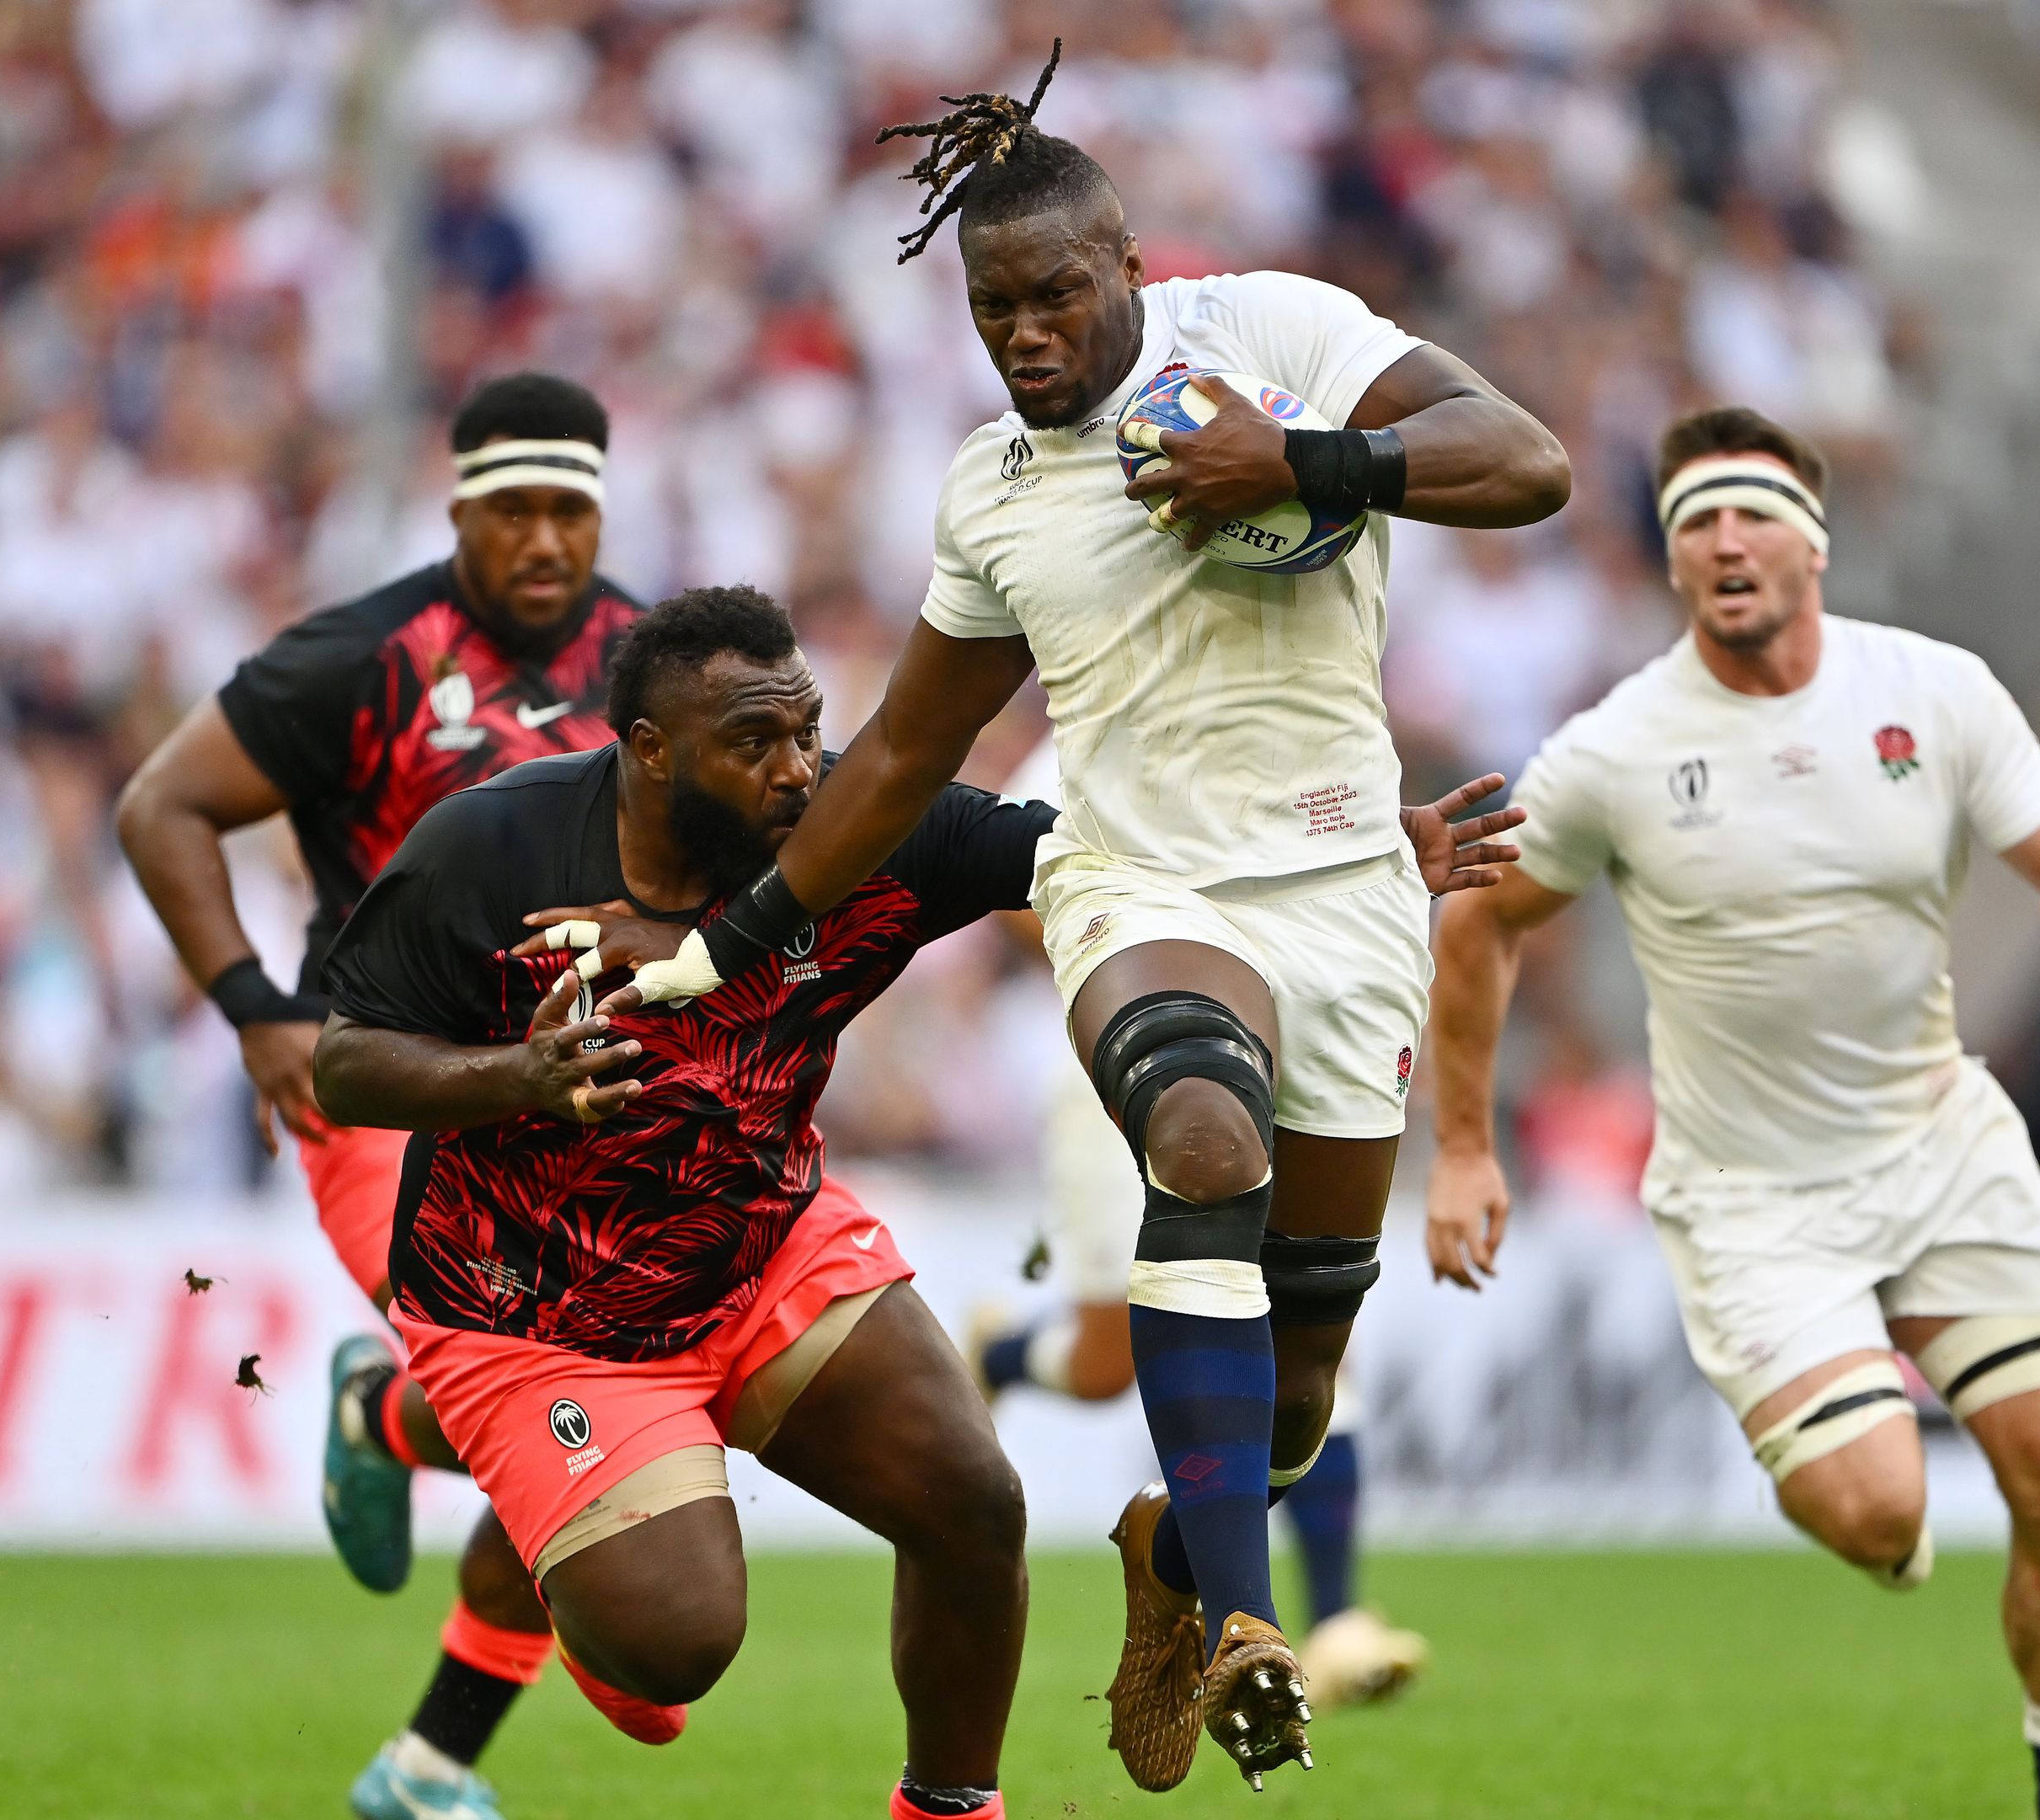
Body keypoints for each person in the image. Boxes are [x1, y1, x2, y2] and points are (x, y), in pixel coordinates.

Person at [569, 46, 1566, 1789]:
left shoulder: (1271, 332)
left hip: (1344, 890)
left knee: (1302, 1379)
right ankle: (1254, 1624)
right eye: (990, 309)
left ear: (1129, 270)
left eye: (1050, 298)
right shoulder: (996, 490)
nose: (1020, 336)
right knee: (1196, 1125)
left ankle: (1175, 1561)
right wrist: (733, 947)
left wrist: (1306, 462)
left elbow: (1526, 458)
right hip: (1138, 881)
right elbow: (902, 756)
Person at [1422, 407, 2040, 1820]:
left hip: (1941, 1143)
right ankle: (1867, 1485)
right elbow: (1483, 925)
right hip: (1753, 1197)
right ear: (1675, 563)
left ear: (1811, 544)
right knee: (1881, 1513)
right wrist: (1461, 1147)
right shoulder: (1619, 747)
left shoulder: (1934, 694)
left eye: (1750, 515)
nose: (1724, 542)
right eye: (1695, 522)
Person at [316, 586, 1038, 1820]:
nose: (801, 771)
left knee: (973, 1502)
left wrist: (1349, 851)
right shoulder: (496, 848)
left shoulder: (864, 830)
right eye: (756, 744)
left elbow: (1093, 855)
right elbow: (345, 1061)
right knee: (675, 1642)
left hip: (761, 1246)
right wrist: (516, 1078)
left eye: (809, 731)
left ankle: (949, 1812)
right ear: (648, 751)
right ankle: (441, 1429)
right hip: (534, 1317)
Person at [115, 372, 647, 1820]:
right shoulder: (362, 656)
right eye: (514, 510)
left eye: (571, 510)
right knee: (571, 1406)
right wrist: (253, 1006)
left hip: (588, 1099)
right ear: (459, 507)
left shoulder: (655, 660)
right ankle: (430, 1759)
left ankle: (392, 1443)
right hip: (389, 1087)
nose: (545, 539)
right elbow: (159, 802)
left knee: (599, 1406)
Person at [964, 744, 1427, 1712]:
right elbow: (1012, 894)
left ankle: (1329, 1617)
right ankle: (1004, 1354)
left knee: (1306, 1342)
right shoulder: (1090, 736)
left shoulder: (1299, 713)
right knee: (1102, 1367)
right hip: (1130, 1069)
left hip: (1285, 1049)